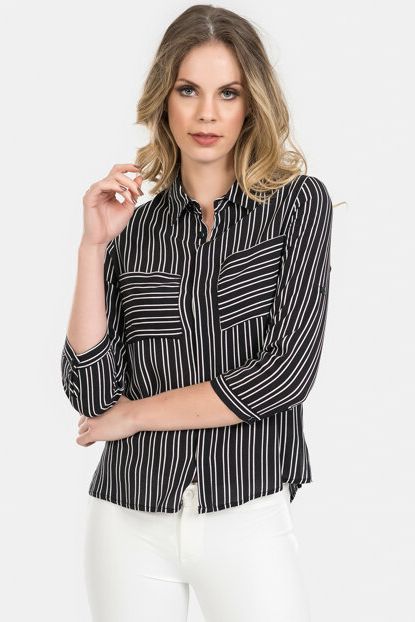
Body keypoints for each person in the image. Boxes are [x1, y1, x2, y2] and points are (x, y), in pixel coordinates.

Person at [61, 5, 335, 621]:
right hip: (128, 516)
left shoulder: (297, 206)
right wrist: (93, 247)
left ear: (251, 105)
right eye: (189, 90)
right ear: (165, 100)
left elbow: (284, 374)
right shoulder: (133, 229)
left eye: (227, 93)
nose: (207, 113)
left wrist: (135, 415)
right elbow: (91, 392)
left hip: (248, 510)